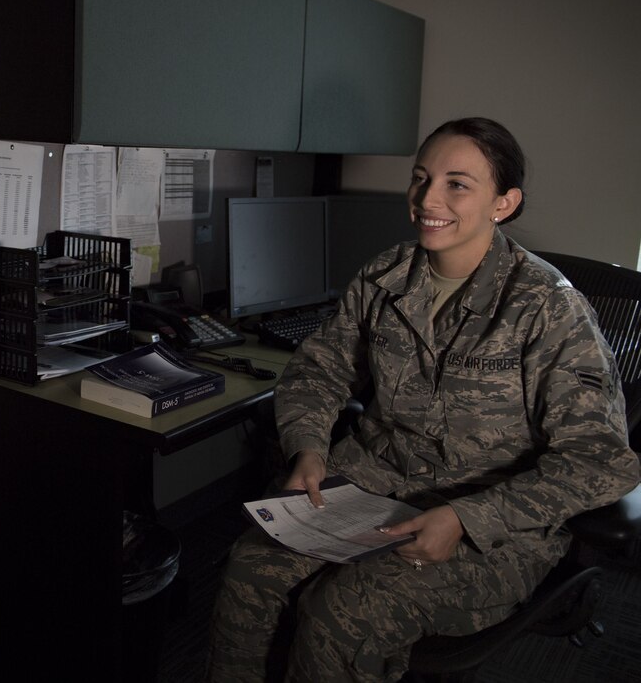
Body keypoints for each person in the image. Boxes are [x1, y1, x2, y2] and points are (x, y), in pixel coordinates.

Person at [206, 117, 639, 682]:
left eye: (457, 183)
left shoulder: (549, 309)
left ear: (503, 203)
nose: (427, 198)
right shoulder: (385, 277)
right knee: (250, 570)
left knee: (342, 612)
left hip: (492, 523)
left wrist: (468, 516)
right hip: (374, 488)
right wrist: (307, 448)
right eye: (420, 177)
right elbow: (319, 369)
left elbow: (599, 462)